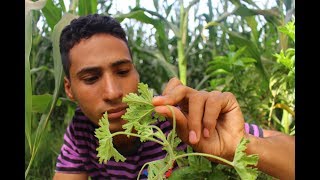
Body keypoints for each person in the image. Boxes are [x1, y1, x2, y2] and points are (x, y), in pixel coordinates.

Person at [53, 14, 294, 180]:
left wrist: (241, 145)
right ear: (69, 88)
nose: (113, 92)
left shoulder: (175, 117)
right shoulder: (81, 129)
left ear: (136, 72)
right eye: (91, 78)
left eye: (123, 71)